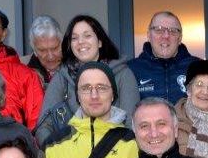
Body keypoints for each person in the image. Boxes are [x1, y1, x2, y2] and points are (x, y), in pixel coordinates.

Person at [37, 15, 140, 147]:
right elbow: (43, 127)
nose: (80, 42)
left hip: (114, 156)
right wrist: (57, 154)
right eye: (74, 38)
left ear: (100, 42)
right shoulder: (62, 77)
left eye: (87, 35)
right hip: (70, 156)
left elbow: (131, 126)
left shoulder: (123, 74)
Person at [42, 61, 138, 158]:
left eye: (102, 87)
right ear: (78, 97)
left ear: (113, 95)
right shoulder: (53, 145)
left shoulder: (134, 142)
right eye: (86, 88)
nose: (94, 95)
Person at [127, 11, 200, 104]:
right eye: (159, 30)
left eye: (173, 31)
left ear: (180, 38)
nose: (166, 36)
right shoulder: (131, 69)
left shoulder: (198, 68)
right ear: (149, 35)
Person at [25, 15, 64, 89]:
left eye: (55, 48)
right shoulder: (26, 76)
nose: (50, 56)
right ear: (35, 51)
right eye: (42, 50)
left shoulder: (76, 67)